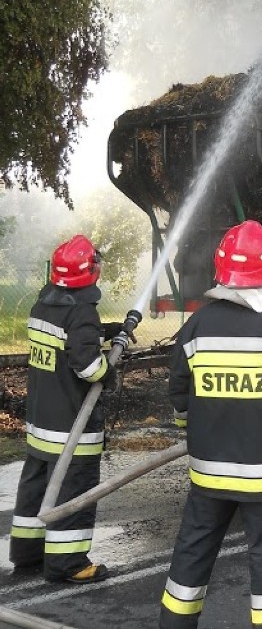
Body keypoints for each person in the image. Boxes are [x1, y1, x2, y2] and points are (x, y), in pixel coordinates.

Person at [160, 220, 262, 629]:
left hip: (208, 472)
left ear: (221, 269)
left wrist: (197, 426)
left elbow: (179, 399)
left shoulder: (195, 327)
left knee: (191, 555)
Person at [10, 235, 128, 584]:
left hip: (41, 423)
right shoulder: (82, 313)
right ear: (90, 272)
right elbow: (87, 366)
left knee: (35, 488)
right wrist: (109, 372)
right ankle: (68, 564)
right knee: (71, 493)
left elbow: (65, 342)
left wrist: (106, 331)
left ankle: (28, 554)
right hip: (72, 428)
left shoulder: (41, 306)